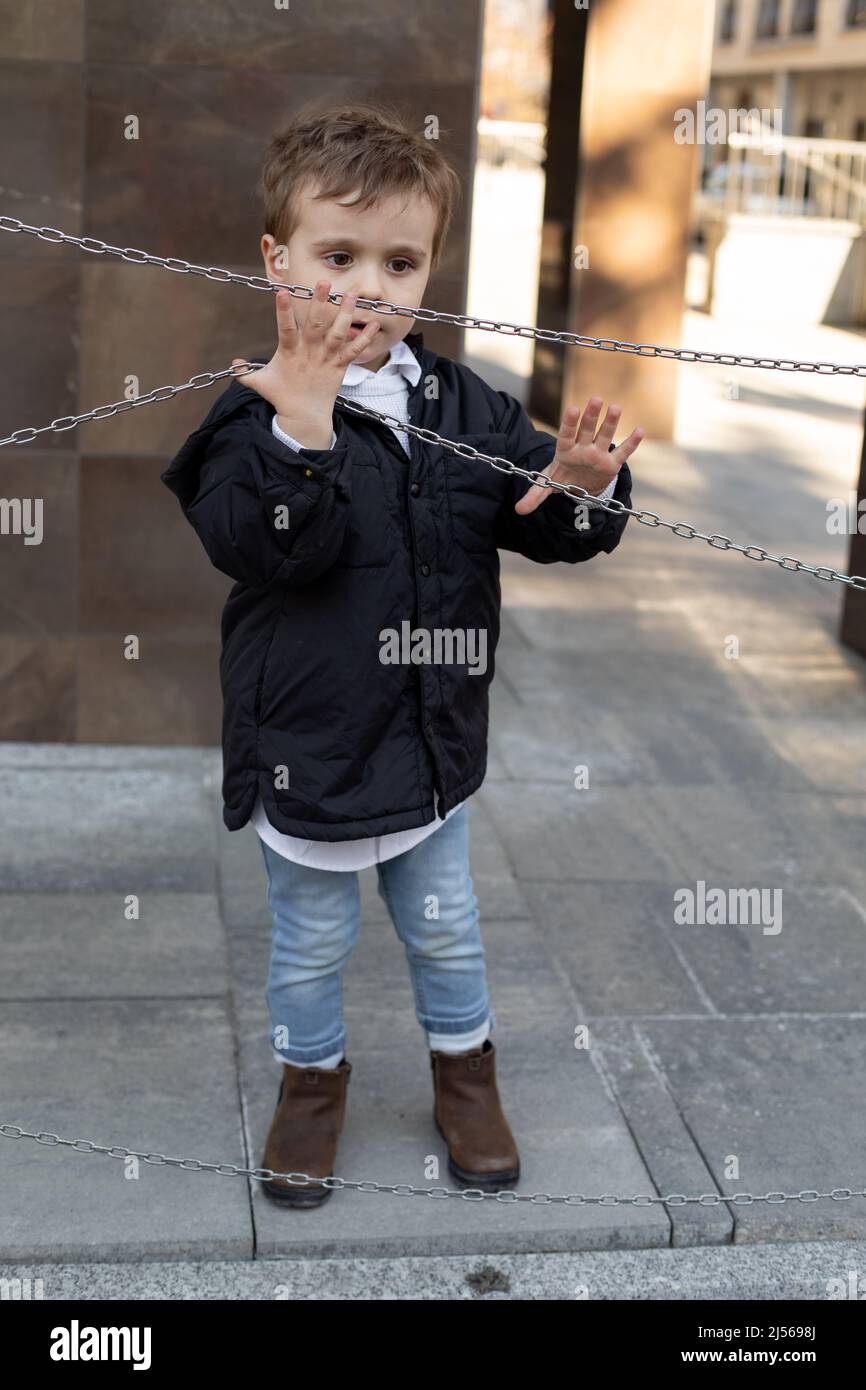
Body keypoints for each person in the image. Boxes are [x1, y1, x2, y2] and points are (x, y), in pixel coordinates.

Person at [161, 102, 644, 1208]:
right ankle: (310, 1086)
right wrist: (305, 430)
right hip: (313, 750)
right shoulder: (255, 418)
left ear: (428, 271)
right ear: (278, 261)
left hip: (427, 750)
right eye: (339, 257)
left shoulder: (461, 404)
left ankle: (463, 1078)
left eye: (398, 261)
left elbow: (538, 515)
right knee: (309, 947)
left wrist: (579, 484)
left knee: (446, 933)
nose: (369, 288)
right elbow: (262, 545)